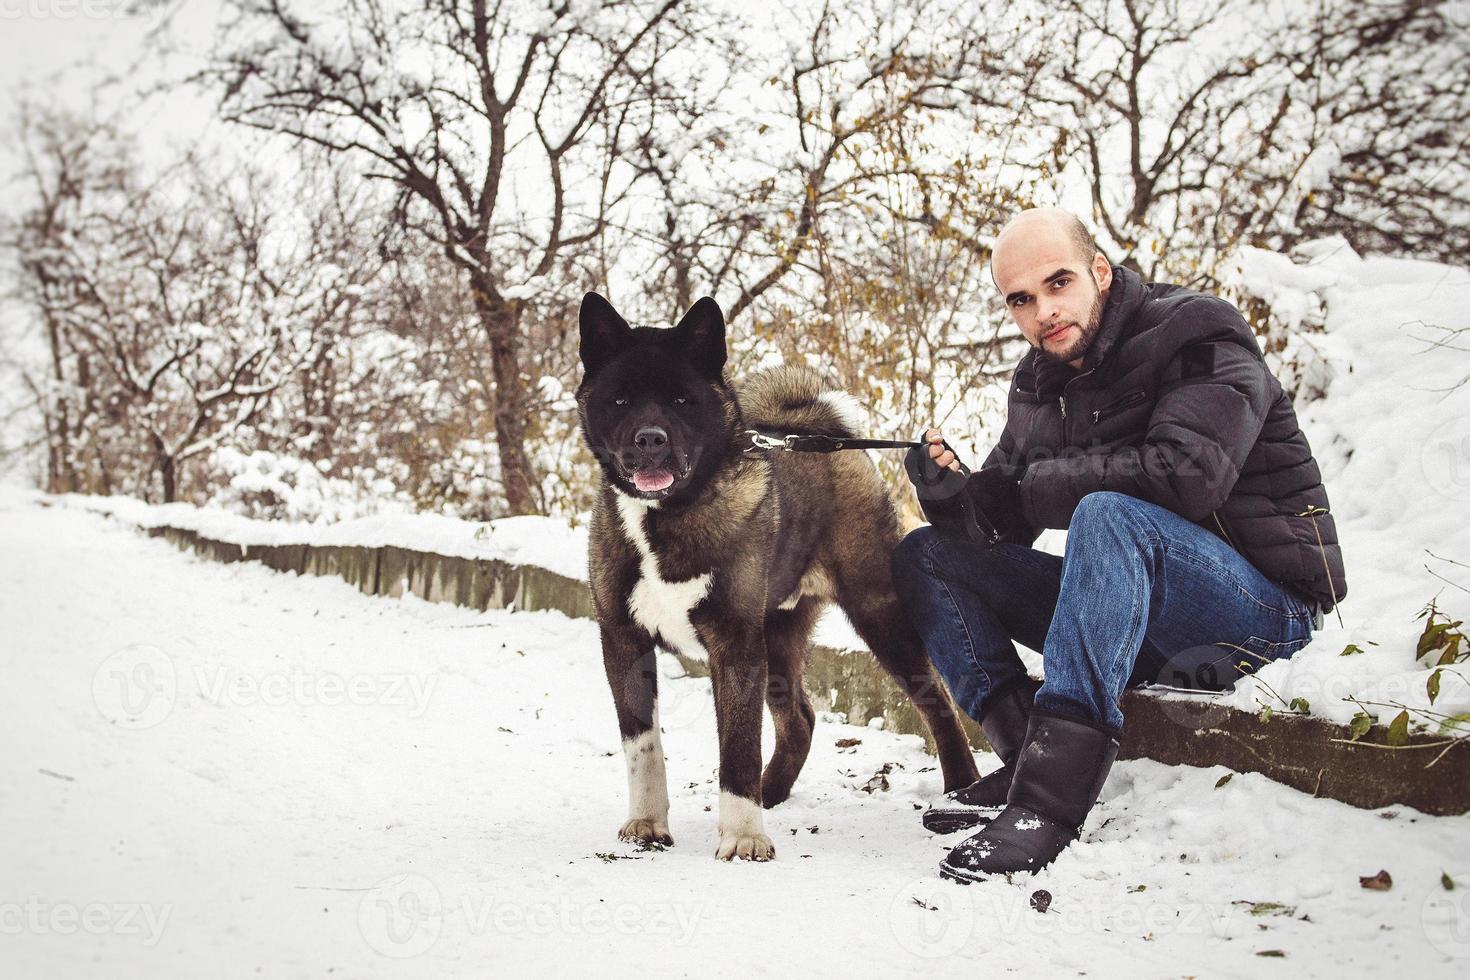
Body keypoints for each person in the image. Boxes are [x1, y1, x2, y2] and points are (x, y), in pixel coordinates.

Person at [890, 207, 1347, 884]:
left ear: (1100, 271)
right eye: (1021, 299)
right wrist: (952, 493)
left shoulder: (1197, 332)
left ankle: (1050, 804)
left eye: (1058, 283)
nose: (1044, 311)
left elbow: (1186, 479)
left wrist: (1030, 489)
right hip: (1129, 609)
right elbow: (1003, 526)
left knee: (1109, 516)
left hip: (1262, 610)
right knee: (926, 553)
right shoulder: (1041, 379)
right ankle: (1026, 757)